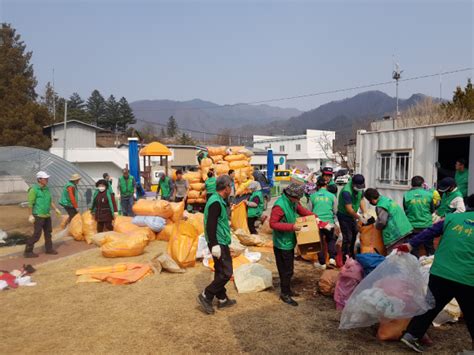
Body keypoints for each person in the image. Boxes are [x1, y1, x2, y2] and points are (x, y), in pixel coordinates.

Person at [398, 194, 474, 353]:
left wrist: (410, 245)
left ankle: (412, 335)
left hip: (441, 272)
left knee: (431, 305)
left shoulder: (452, 219)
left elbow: (429, 232)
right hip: (467, 277)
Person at [270, 183, 316, 306]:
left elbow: (302, 211)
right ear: (291, 195)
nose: (299, 200)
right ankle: (284, 293)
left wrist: (314, 217)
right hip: (281, 243)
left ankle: (288, 290)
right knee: (286, 270)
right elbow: (273, 224)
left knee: (289, 269)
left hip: (289, 241)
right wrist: (292, 227)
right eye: (298, 198)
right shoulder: (279, 206)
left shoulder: (293, 202)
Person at [197, 175, 236, 315]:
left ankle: (222, 299)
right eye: (230, 186)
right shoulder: (215, 202)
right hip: (218, 242)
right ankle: (206, 295)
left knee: (220, 270)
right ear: (226, 188)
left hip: (220, 240)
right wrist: (214, 245)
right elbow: (210, 225)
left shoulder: (218, 200)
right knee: (226, 272)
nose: (231, 189)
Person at [364, 188, 413, 253]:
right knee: (403, 254)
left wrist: (375, 226)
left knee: (393, 257)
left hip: (396, 233)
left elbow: (382, 222)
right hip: (405, 228)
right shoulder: (386, 200)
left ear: (371, 200)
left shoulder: (381, 205)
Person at [25, 171, 61, 258]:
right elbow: (30, 203)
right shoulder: (34, 190)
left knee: (48, 233)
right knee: (37, 235)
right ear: (39, 179)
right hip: (38, 215)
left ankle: (49, 249)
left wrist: (55, 208)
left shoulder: (46, 189)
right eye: (45, 178)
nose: (47, 180)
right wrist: (30, 215)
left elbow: (50, 200)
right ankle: (28, 251)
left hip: (46, 215)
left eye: (47, 178)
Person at [309, 176, 338, 269]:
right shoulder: (332, 196)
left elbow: (309, 211)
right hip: (329, 222)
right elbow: (335, 210)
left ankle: (322, 263)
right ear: (326, 185)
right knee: (331, 240)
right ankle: (332, 259)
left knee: (319, 243)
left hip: (317, 223)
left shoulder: (312, 196)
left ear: (317, 185)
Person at [403, 176, 435, 256]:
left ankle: (415, 267)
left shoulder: (406, 195)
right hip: (427, 225)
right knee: (429, 248)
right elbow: (432, 210)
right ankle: (431, 265)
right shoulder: (429, 194)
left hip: (413, 227)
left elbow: (406, 210)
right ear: (422, 184)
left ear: (411, 184)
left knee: (414, 249)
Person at [336, 174, 366, 261]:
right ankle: (345, 257)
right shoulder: (346, 191)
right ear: (353, 184)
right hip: (344, 216)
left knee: (355, 233)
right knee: (347, 237)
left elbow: (361, 199)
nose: (360, 188)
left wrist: (364, 212)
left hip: (353, 215)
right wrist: (359, 217)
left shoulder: (359, 188)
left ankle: (351, 254)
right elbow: (349, 209)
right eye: (358, 186)